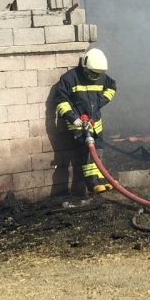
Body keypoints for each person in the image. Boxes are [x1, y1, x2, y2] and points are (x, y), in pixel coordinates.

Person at [53, 48, 117, 194]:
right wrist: (72, 118)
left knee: (98, 151)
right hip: (79, 127)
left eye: (98, 74)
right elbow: (61, 100)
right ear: (85, 66)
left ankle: (101, 178)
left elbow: (112, 87)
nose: (95, 76)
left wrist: (101, 101)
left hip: (96, 125)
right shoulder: (70, 79)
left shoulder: (102, 77)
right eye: (93, 73)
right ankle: (92, 183)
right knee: (87, 153)